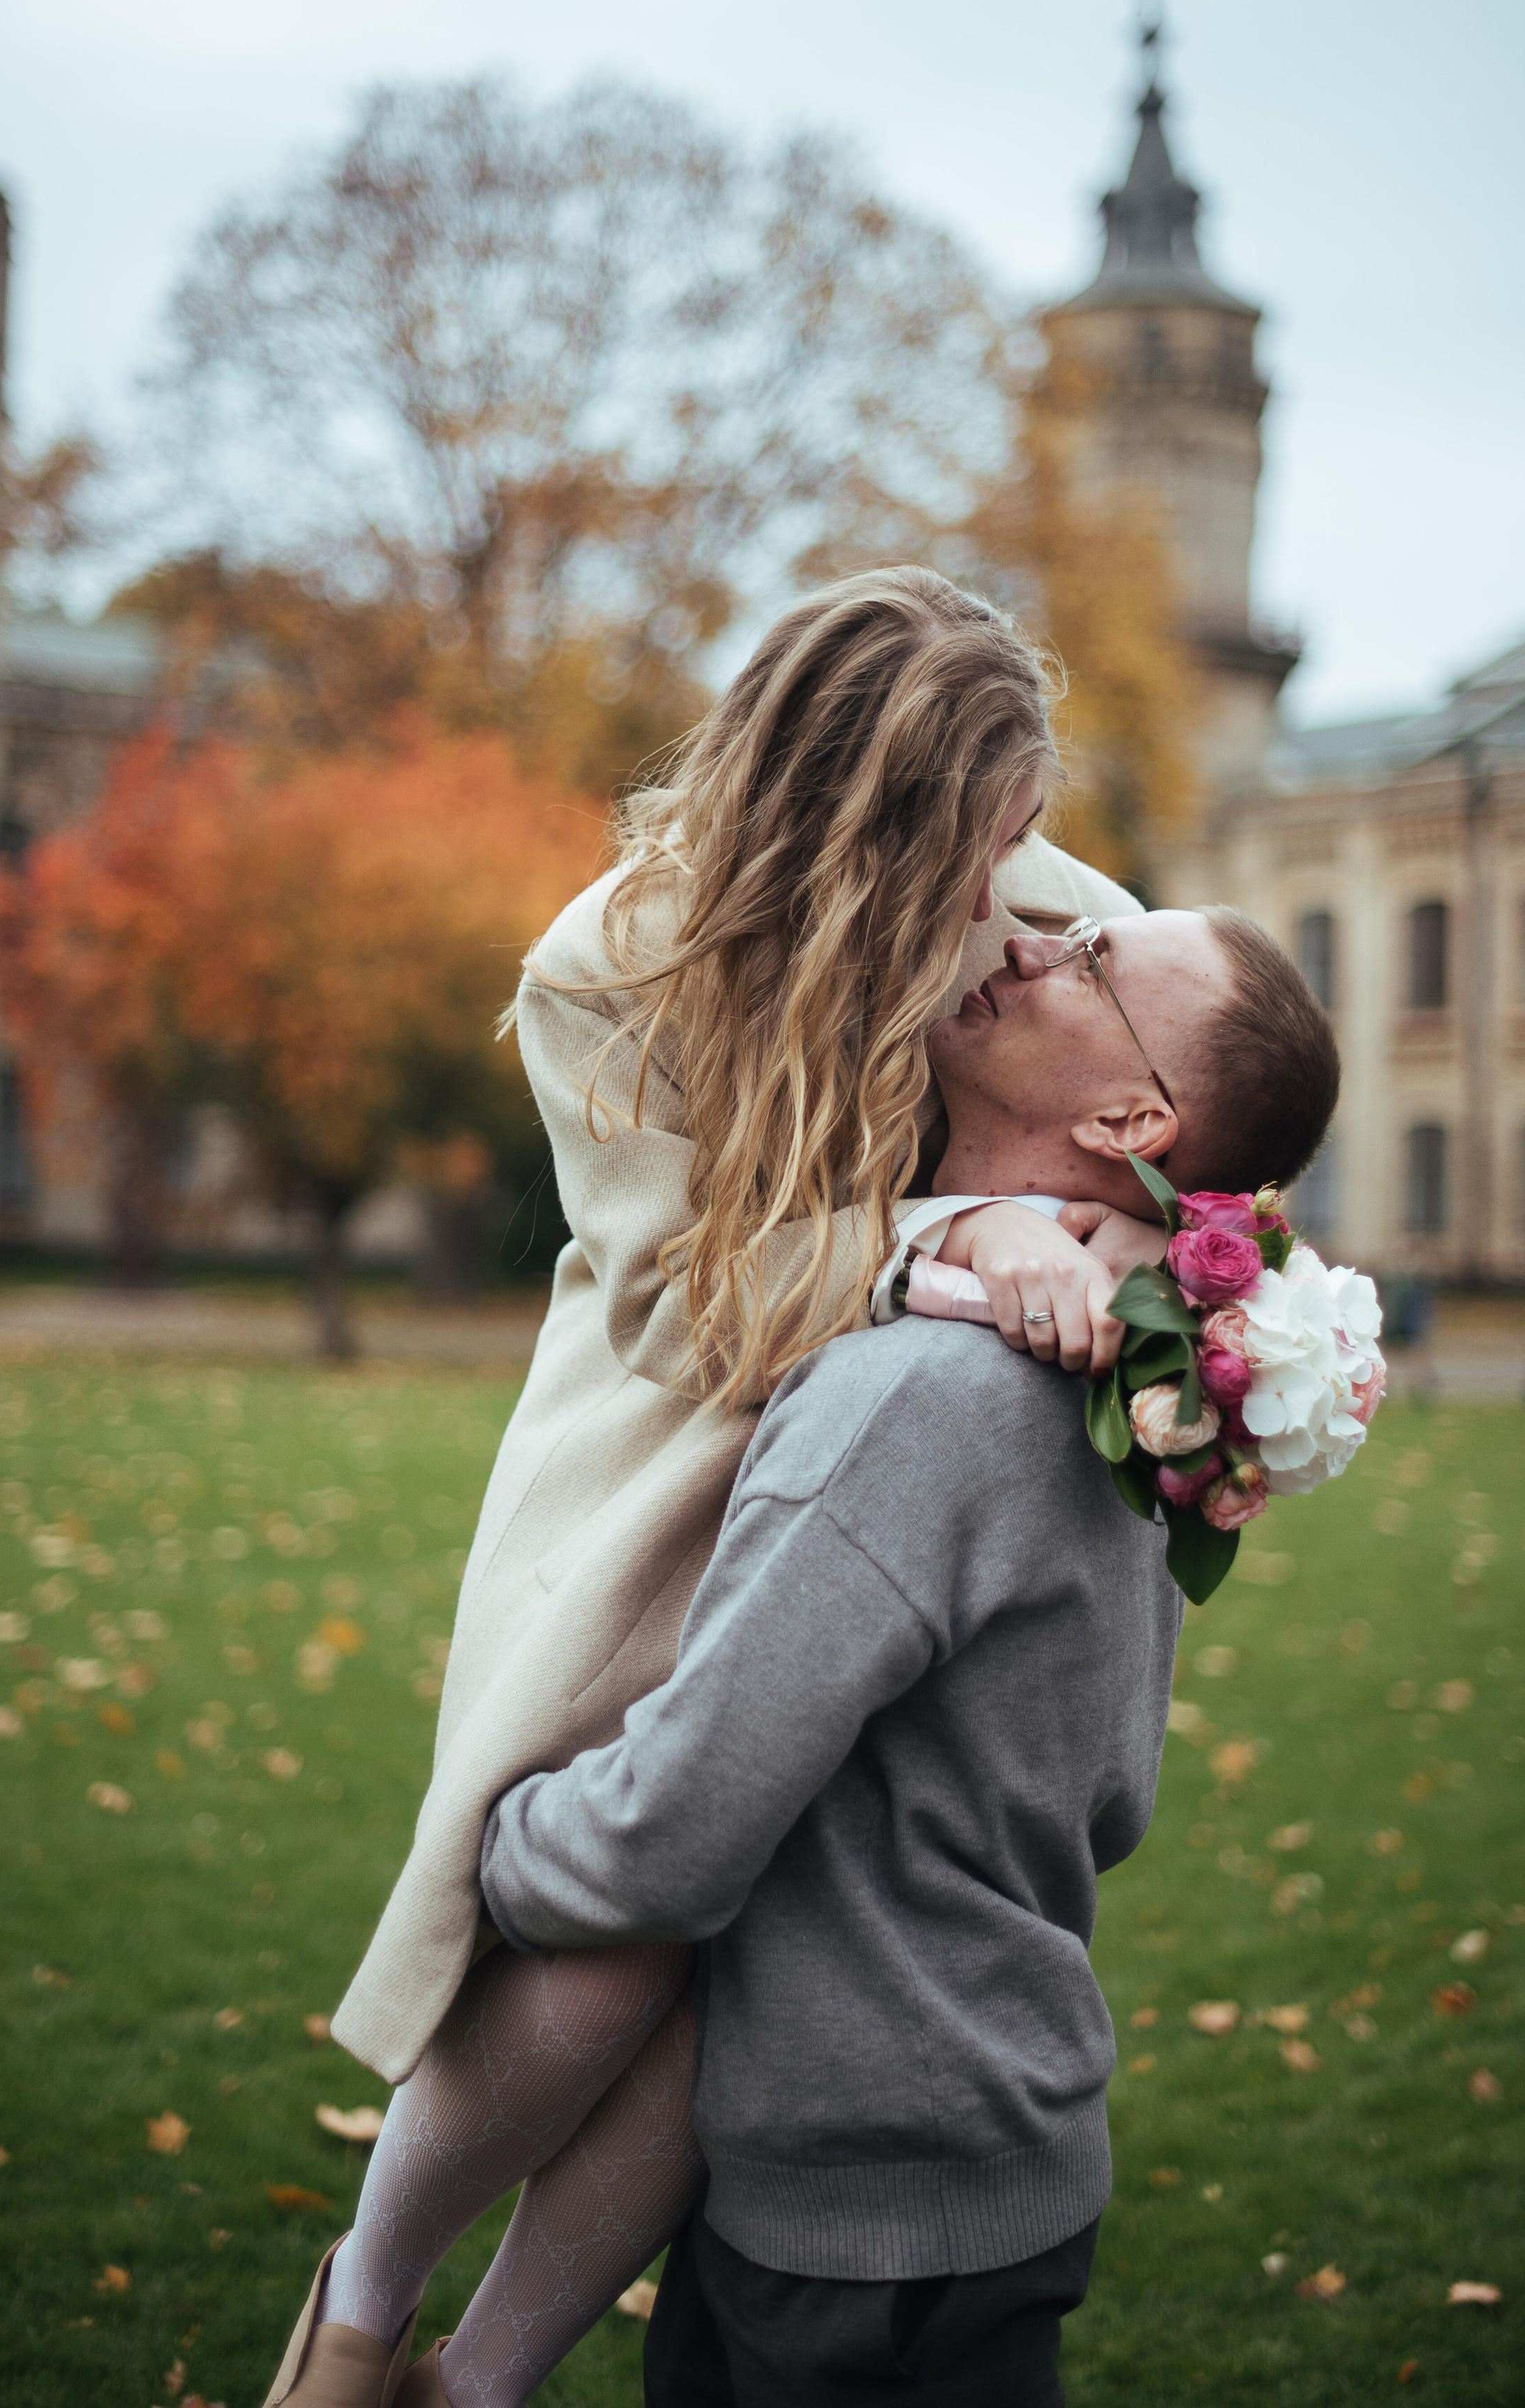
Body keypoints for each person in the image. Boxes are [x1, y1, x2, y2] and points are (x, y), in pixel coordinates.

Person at [262, 569, 1158, 2408]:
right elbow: (693, 1292)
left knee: (752, 1998)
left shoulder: (1062, 921)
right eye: (974, 845)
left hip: (895, 1494)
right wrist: (962, 1230)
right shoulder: (614, 963)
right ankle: (356, 2315)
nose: (1011, 898)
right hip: (660, 1471)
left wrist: (1223, 1337)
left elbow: (1174, 1141)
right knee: (604, 1960)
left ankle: (480, 2383)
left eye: (1025, 836)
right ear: (852, 826)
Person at [476, 904, 1339, 2407]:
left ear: (1132, 1115)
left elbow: (663, 1844)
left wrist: (492, 1846)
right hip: (970, 2159)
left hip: (857, 2240)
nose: (1022, 939)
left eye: (1087, 962)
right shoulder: (1134, 1398)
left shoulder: (922, 1400)